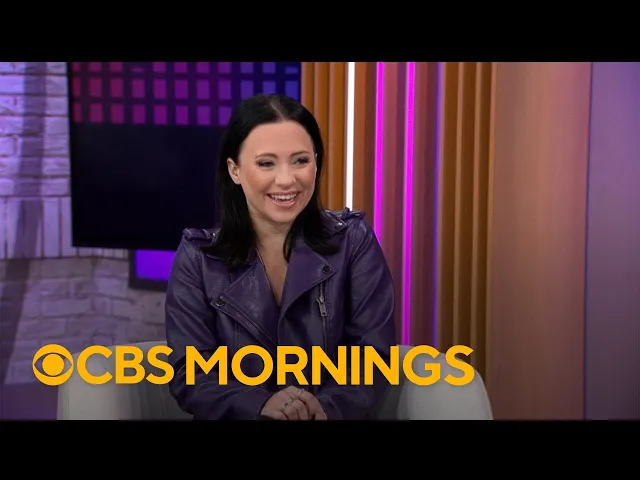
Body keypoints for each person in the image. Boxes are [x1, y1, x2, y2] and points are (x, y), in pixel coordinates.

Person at [164, 93, 396, 420]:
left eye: (300, 160)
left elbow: (373, 357)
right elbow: (190, 373)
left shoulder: (353, 241)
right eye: (266, 163)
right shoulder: (198, 258)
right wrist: (259, 404)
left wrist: (324, 407)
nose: (287, 180)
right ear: (234, 170)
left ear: (316, 162)